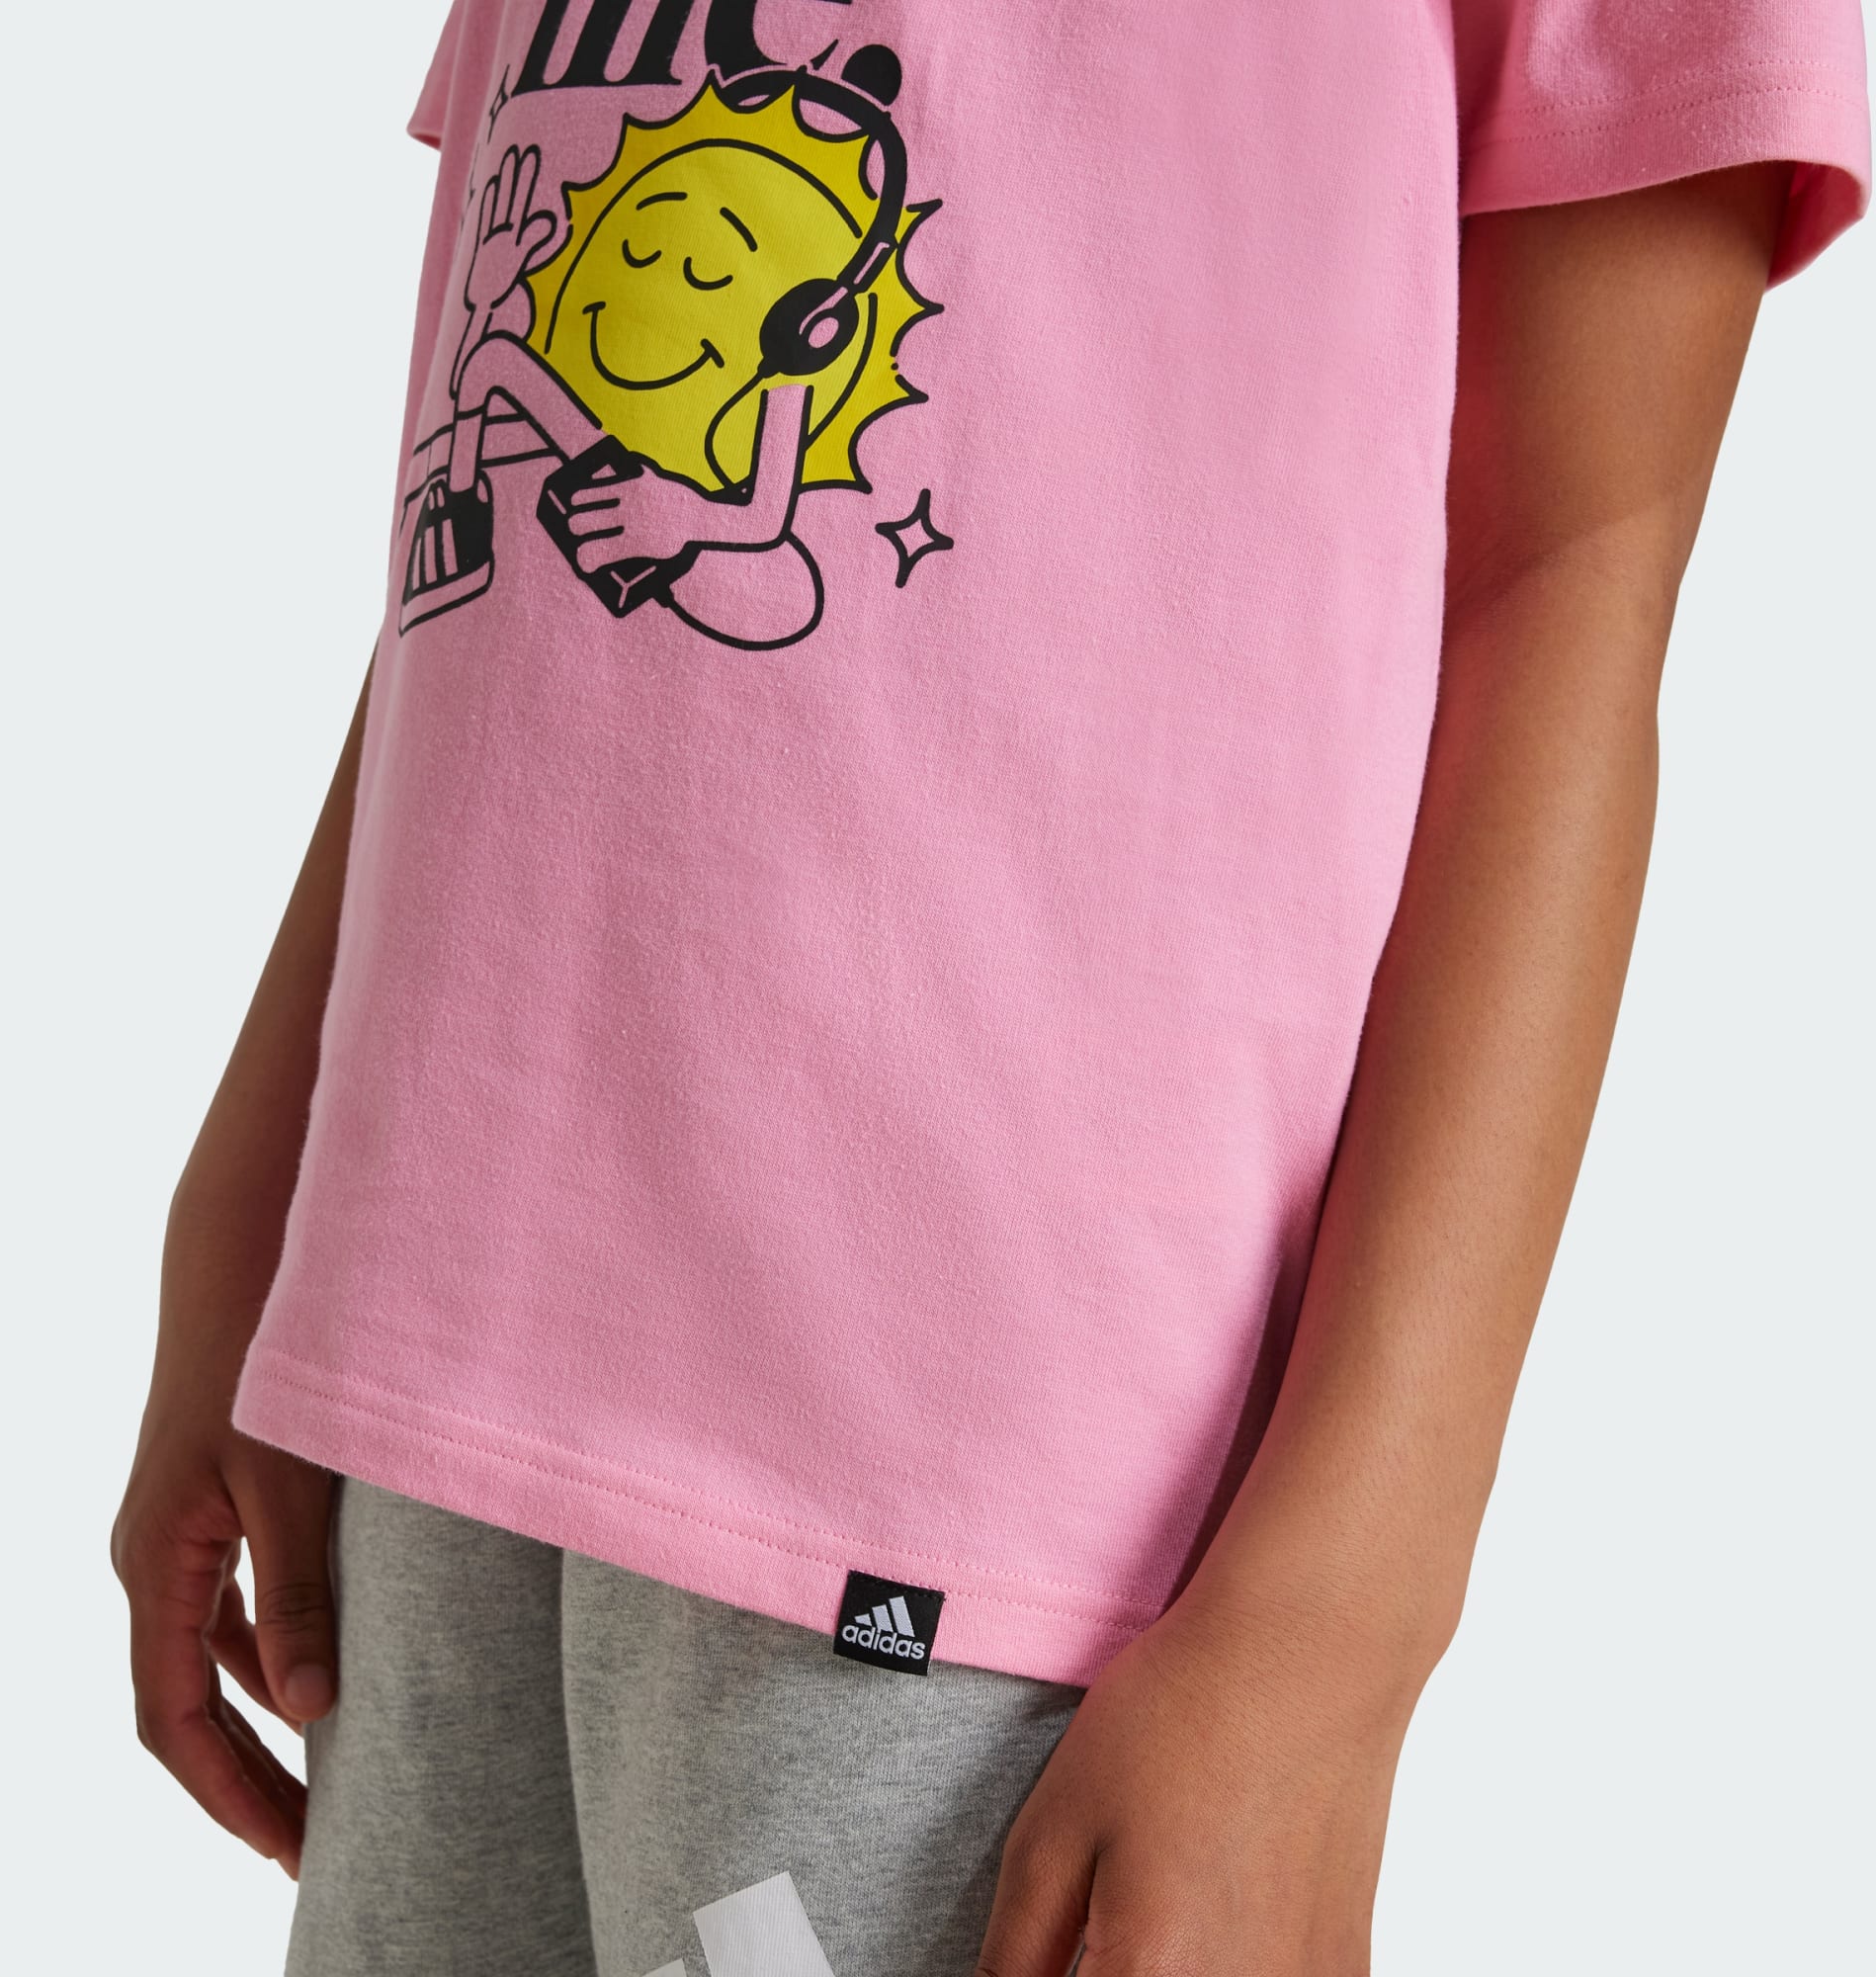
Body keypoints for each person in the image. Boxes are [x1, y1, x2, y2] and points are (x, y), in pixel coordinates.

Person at [112, 2, 1870, 1971]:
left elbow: (1568, 580)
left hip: (969, 1492)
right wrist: (252, 1212)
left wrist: (1342, 1624)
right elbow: (504, 517)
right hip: (438, 1359)